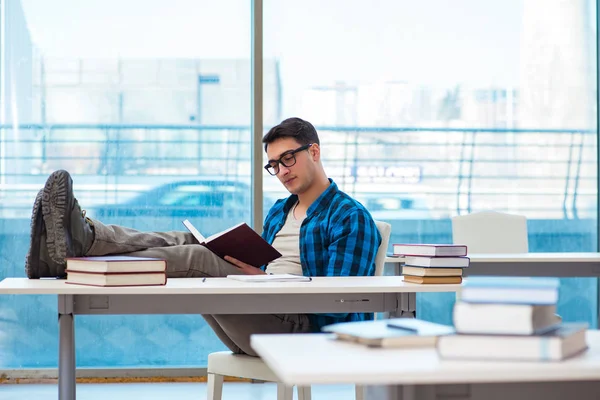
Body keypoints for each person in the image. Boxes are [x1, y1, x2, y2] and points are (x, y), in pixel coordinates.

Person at [25, 117, 381, 356]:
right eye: (274, 165)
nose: (281, 171)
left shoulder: (350, 217)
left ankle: (72, 256)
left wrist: (267, 279)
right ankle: (86, 241)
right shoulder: (280, 209)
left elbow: (339, 300)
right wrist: (252, 269)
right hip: (266, 308)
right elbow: (264, 263)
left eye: (288, 159)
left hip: (306, 333)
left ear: (314, 152)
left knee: (198, 262)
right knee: (191, 243)